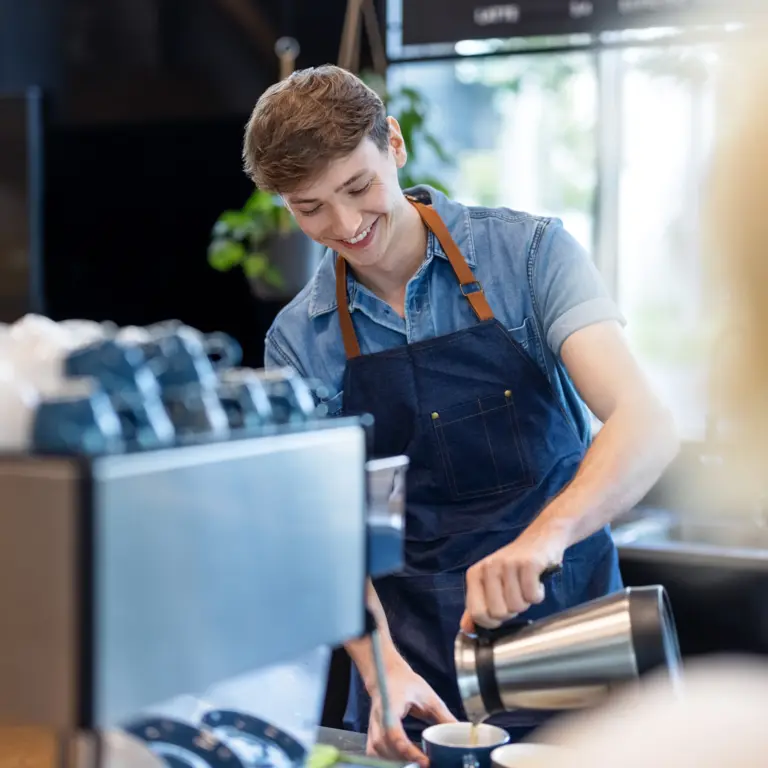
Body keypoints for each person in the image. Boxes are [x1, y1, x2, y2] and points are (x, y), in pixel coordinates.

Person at [244, 65, 679, 765]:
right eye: (309, 208)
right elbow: (320, 524)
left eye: (357, 188)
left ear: (393, 143)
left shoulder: (530, 257)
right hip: (411, 682)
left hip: (574, 655)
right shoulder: (300, 341)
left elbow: (645, 422)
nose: (346, 225)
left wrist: (544, 539)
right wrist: (379, 665)